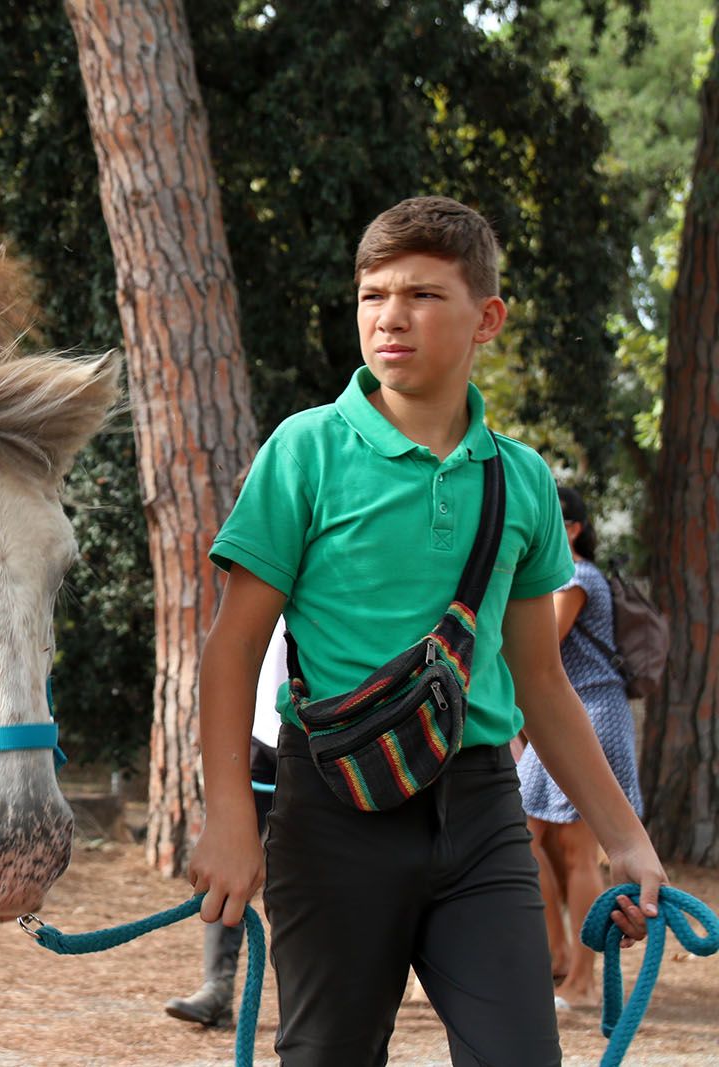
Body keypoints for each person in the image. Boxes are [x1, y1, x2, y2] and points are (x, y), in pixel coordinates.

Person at [187, 195, 667, 1065]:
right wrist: (228, 815)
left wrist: (625, 839)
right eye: (372, 295)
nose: (389, 317)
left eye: (420, 294)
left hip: (482, 807)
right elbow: (231, 651)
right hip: (331, 809)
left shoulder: (521, 481)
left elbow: (542, 685)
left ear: (487, 318)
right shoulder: (305, 451)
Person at [517, 485, 644, 1012]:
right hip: (558, 719)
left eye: (554, 517)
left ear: (572, 528)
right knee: (526, 838)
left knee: (576, 849)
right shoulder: (548, 576)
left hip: (592, 715)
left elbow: (542, 640)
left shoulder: (579, 575)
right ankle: (556, 956)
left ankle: (584, 982)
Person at [164, 619, 282, 1028]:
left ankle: (304, 997)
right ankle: (217, 988)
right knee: (227, 870)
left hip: (325, 731)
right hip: (255, 732)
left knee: (303, 877)